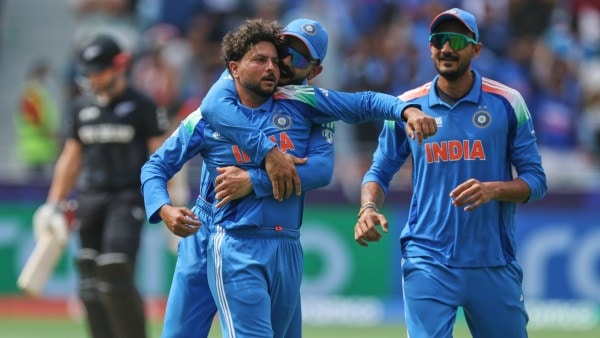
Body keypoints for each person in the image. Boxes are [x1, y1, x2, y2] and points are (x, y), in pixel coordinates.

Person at [141, 19, 436, 338]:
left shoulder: (309, 105)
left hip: (278, 238)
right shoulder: (211, 109)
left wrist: (254, 180)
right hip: (212, 230)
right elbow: (157, 164)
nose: (278, 64)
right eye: (280, 51)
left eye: (294, 58)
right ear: (236, 67)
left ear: (314, 70)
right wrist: (164, 208)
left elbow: (323, 167)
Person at [354, 8, 548, 338]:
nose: (446, 48)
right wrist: (368, 207)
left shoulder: (507, 102)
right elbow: (379, 171)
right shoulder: (406, 106)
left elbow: (536, 180)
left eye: (457, 40)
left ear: (476, 49)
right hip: (428, 259)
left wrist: (494, 190)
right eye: (439, 40)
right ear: (430, 48)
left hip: (492, 260)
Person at [33, 34, 168, 338]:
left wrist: (171, 201)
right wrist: (53, 203)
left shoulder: (142, 106)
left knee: (115, 269)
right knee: (89, 279)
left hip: (128, 198)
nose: (93, 78)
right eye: (89, 72)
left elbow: (162, 155)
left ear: (119, 67)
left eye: (100, 71)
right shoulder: (80, 107)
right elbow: (71, 156)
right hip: (90, 198)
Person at [13, 59, 62, 180]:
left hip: (43, 149)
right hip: (36, 150)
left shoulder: (38, 93)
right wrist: (54, 136)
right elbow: (36, 120)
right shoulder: (32, 94)